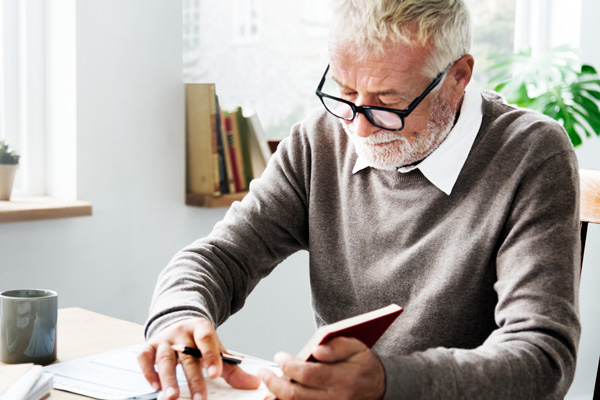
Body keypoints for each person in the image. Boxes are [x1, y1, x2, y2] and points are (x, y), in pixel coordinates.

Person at [138, 0, 581, 399]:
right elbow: (222, 256)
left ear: (457, 77)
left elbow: (543, 357)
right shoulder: (320, 140)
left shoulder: (531, 151)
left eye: (388, 103)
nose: (359, 129)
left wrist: (387, 382)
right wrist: (179, 314)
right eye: (346, 94)